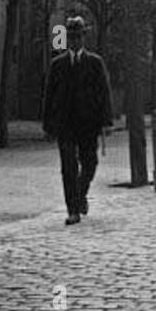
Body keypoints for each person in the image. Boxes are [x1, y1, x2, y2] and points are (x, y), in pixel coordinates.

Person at [42, 15, 114, 226]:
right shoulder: (57, 65)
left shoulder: (94, 63)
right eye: (71, 37)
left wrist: (106, 121)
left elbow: (104, 93)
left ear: (84, 38)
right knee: (68, 167)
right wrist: (47, 125)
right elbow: (49, 96)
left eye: (78, 37)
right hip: (65, 124)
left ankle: (80, 193)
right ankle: (72, 210)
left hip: (88, 124)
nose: (74, 41)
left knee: (90, 162)